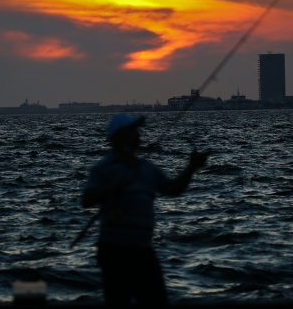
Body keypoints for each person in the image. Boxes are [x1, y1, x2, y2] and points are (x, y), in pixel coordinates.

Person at [81, 114, 208, 307]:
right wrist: (111, 187)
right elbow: (86, 200)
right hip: (114, 251)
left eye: (137, 131)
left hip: (143, 250)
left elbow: (172, 189)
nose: (138, 135)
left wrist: (191, 168)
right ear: (119, 136)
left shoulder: (146, 168)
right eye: (132, 131)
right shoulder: (103, 168)